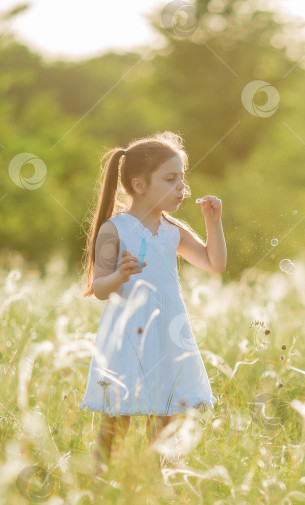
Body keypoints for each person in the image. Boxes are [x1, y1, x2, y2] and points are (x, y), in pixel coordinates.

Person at [79, 131, 224, 473]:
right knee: (118, 415)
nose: (181, 188)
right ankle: (99, 482)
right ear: (140, 185)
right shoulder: (115, 230)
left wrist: (213, 223)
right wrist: (119, 276)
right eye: (170, 179)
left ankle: (162, 486)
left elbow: (213, 264)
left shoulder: (172, 230)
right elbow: (100, 288)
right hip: (129, 334)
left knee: (167, 416)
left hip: (167, 332)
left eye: (183, 180)